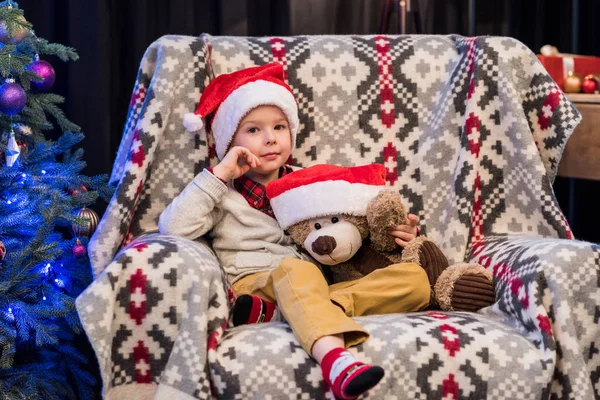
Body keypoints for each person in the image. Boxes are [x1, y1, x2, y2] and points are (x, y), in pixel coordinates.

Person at [159, 62, 427, 400]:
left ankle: (302, 310)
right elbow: (172, 228)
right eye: (253, 130)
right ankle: (335, 360)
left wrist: (397, 231)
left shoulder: (308, 179)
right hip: (256, 281)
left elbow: (357, 221)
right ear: (229, 140)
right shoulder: (220, 191)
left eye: (279, 127)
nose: (270, 138)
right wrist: (220, 173)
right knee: (295, 269)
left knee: (415, 280)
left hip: (319, 284)